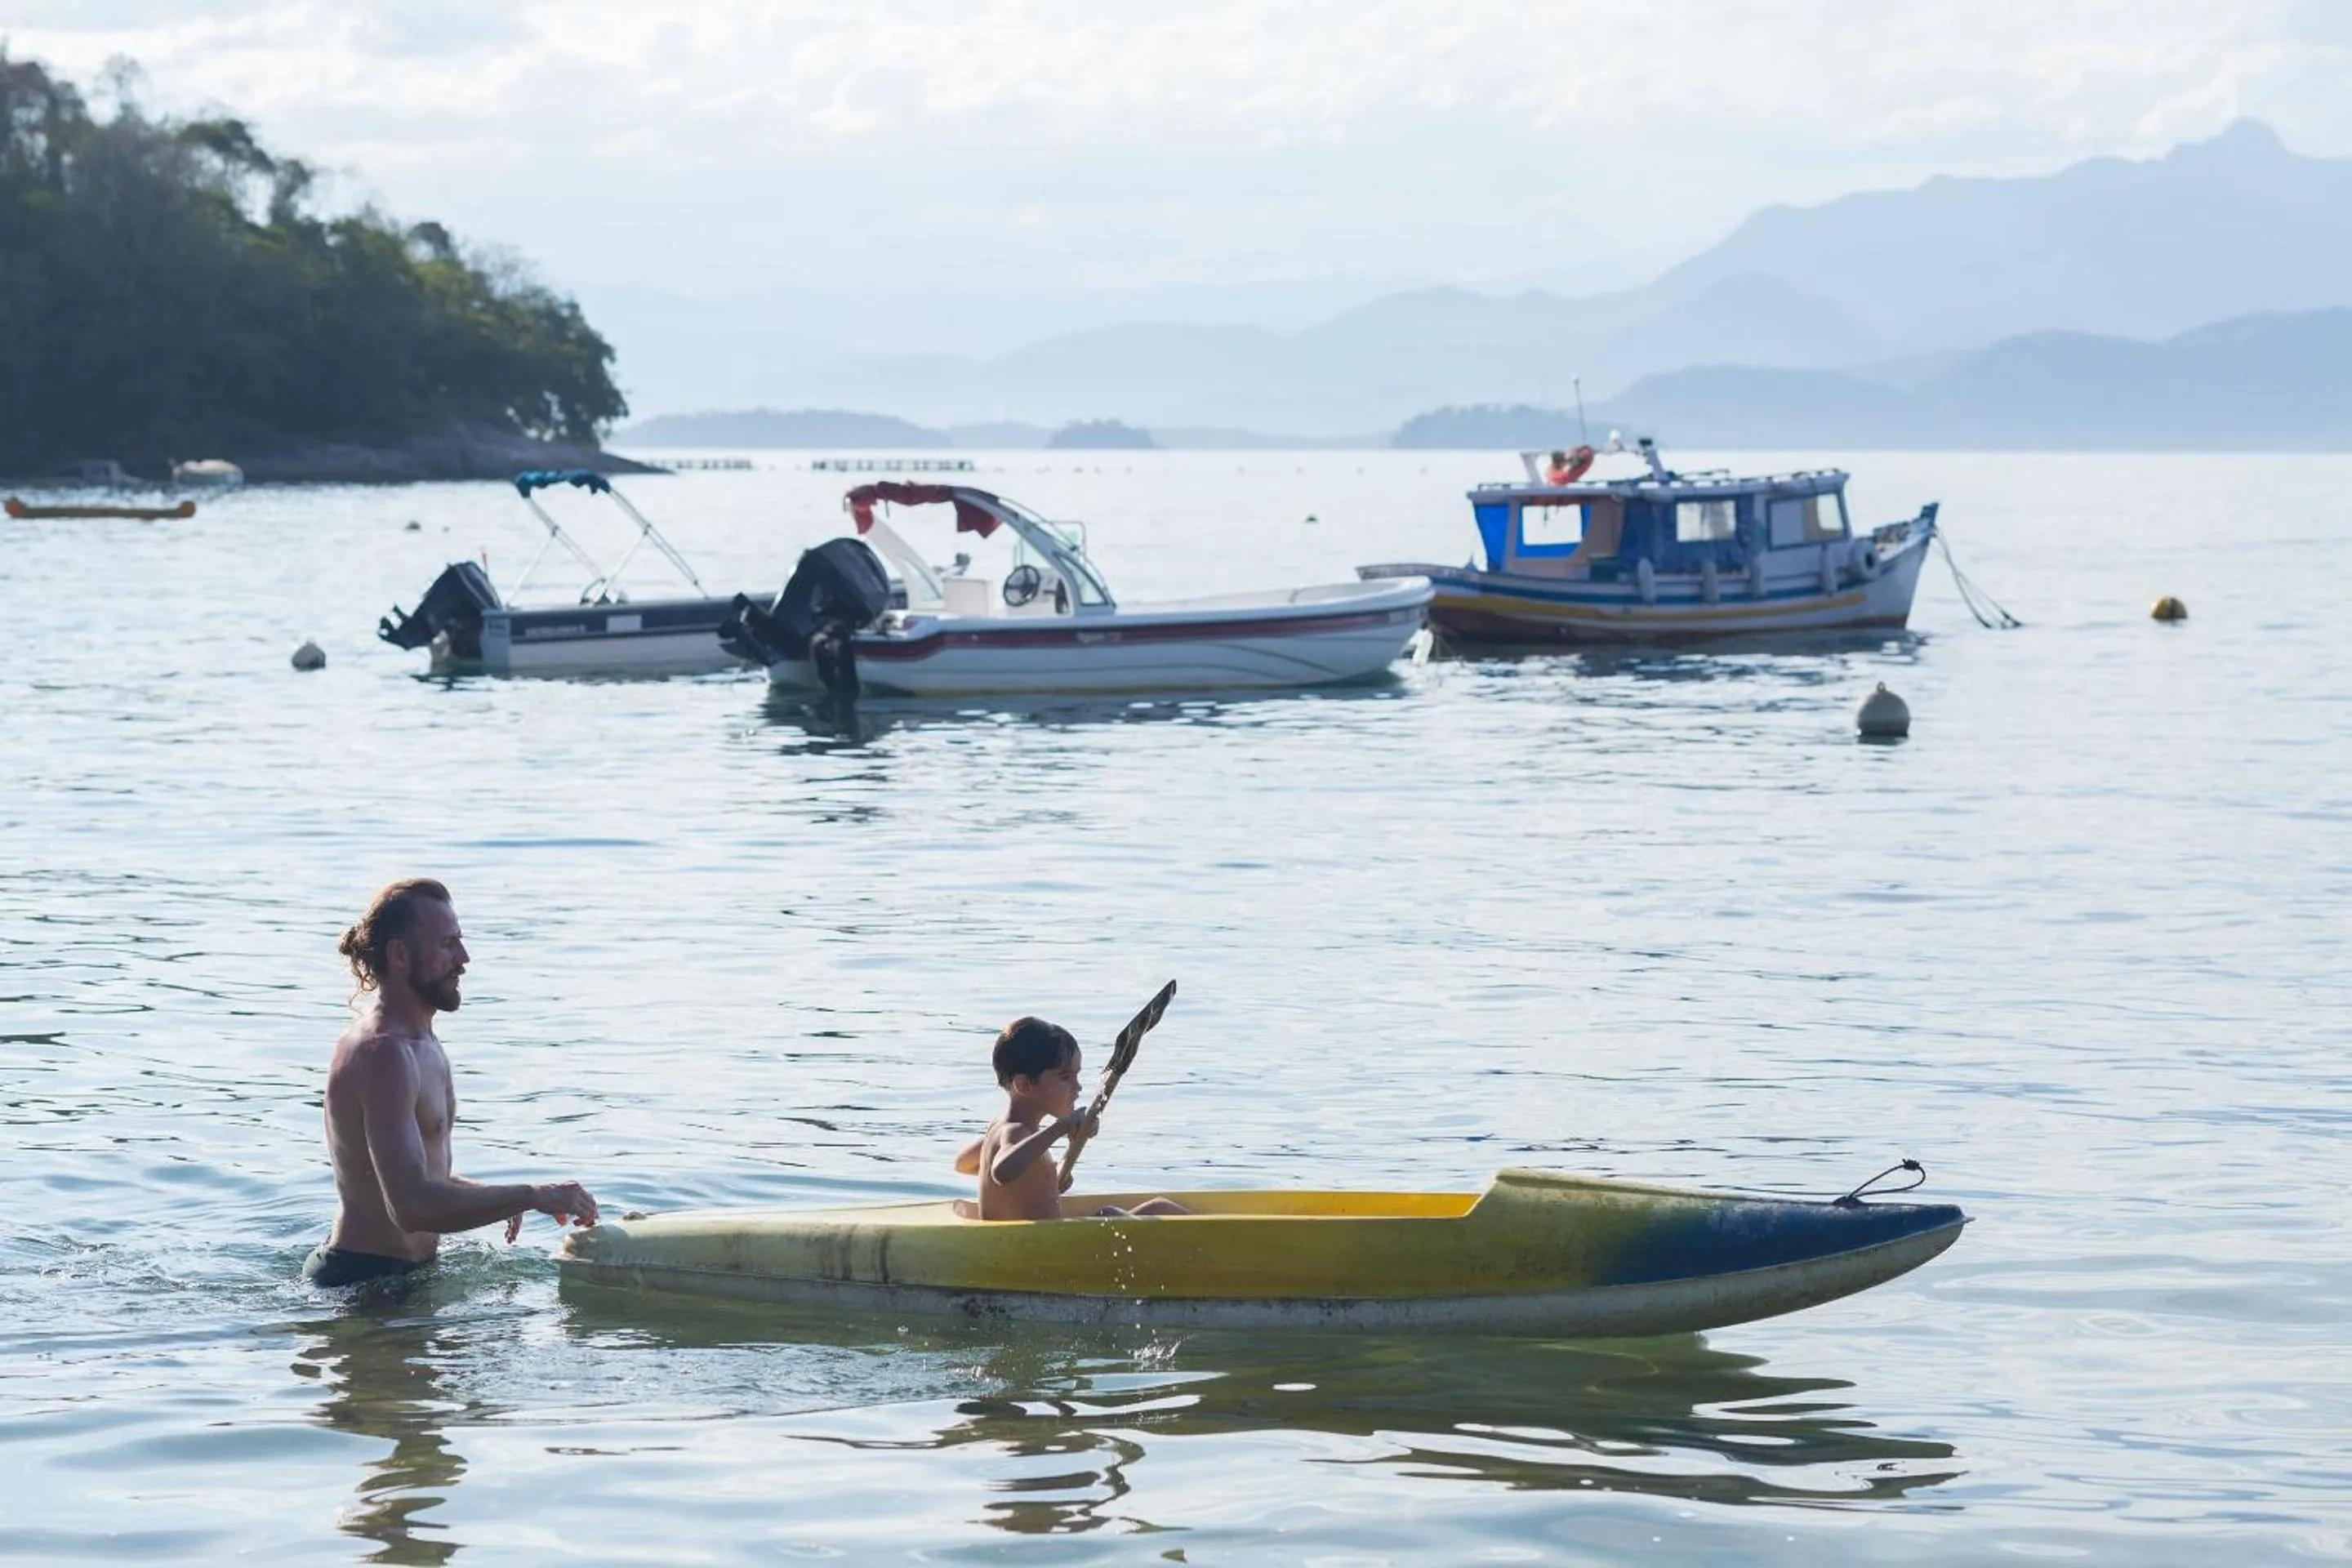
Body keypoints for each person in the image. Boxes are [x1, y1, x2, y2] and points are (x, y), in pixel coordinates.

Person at [304, 879, 599, 1287]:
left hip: (404, 1279)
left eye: (460, 941)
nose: (464, 958)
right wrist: (528, 1195)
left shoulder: (422, 1042)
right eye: (447, 944)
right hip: (362, 1282)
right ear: (400, 955)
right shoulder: (382, 1054)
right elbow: (409, 1207)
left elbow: (423, 1176)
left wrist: (498, 1198)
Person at [955, 1017, 1187, 1220]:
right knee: (1150, 1209)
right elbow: (1002, 1171)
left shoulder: (1001, 1130)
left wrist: (1046, 1179)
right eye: (1065, 1077)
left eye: (1076, 1076)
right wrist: (1059, 1128)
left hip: (1031, 1243)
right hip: (1034, 1248)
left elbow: (963, 1164)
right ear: (1024, 1085)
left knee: (1132, 1211)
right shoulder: (1014, 1132)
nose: (1077, 1087)